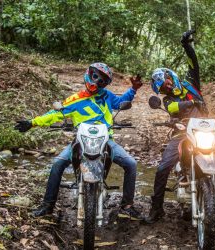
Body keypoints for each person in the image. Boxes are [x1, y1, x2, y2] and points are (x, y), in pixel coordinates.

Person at [14, 63, 144, 220]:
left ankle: (127, 206)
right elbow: (54, 114)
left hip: (106, 140)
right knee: (57, 164)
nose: (96, 82)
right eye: (95, 77)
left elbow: (121, 102)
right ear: (89, 74)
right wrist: (32, 122)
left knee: (131, 164)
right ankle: (48, 206)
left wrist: (133, 89)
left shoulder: (107, 96)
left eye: (102, 81)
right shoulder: (74, 99)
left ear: (105, 84)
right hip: (80, 141)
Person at [144, 30, 215, 224]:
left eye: (167, 82)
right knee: (163, 167)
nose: (168, 87)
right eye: (163, 87)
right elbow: (173, 108)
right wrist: (190, 104)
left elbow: (192, 62)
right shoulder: (168, 100)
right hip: (181, 133)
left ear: (171, 76)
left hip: (205, 129)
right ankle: (157, 209)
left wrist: (186, 45)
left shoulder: (191, 83)